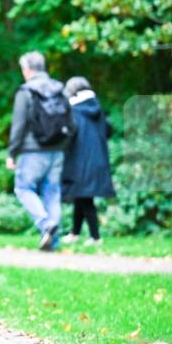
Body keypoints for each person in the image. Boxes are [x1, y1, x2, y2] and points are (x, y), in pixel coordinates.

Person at [5, 51, 75, 251]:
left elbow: (18, 125)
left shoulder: (25, 91)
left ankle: (46, 225)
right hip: (57, 151)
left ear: (27, 69)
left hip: (31, 151)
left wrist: (12, 153)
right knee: (52, 193)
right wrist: (63, 144)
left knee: (23, 188)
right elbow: (72, 124)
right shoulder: (60, 89)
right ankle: (52, 241)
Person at [60, 76, 115, 245]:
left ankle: (96, 237)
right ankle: (75, 233)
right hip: (96, 161)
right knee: (80, 196)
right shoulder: (96, 108)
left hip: (80, 161)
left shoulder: (74, 111)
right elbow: (108, 130)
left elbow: (68, 135)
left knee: (85, 198)